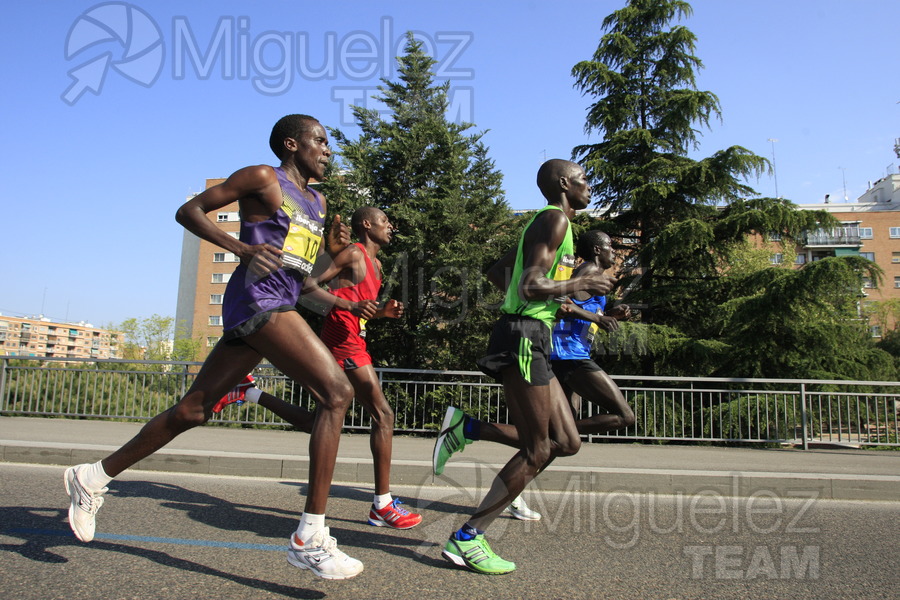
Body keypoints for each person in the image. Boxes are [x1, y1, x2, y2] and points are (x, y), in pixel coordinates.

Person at [63, 114, 366, 580]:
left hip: (279, 302)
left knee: (192, 411)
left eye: (329, 144)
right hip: (255, 300)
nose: (328, 150)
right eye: (320, 141)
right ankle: (310, 536)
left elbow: (302, 282)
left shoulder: (319, 202)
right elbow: (188, 211)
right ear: (291, 143)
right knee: (337, 393)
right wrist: (238, 248)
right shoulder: (264, 178)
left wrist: (353, 305)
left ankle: (93, 477)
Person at [438, 159, 615, 575]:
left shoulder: (556, 226)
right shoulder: (554, 220)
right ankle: (468, 537)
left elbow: (501, 272)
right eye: (584, 181)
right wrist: (579, 285)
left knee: (566, 441)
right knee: (538, 448)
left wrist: (550, 301)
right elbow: (529, 284)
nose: (590, 187)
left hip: (530, 331)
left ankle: (467, 429)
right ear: (564, 184)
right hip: (523, 336)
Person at [213, 206, 422, 530]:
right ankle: (382, 504)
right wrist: (348, 305)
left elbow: (359, 307)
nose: (391, 226)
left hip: (355, 340)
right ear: (367, 225)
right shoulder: (353, 253)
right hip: (342, 343)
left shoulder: (376, 265)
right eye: (385, 221)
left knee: (319, 422)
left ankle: (249, 392)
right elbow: (309, 284)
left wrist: (381, 313)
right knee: (383, 414)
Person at [433, 231, 635, 505]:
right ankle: (487, 439)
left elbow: (577, 312)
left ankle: (481, 440)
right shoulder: (586, 271)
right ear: (598, 250)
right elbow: (562, 305)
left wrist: (608, 317)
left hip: (568, 354)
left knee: (557, 441)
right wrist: (594, 315)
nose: (615, 251)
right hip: (567, 357)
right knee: (623, 416)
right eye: (611, 246)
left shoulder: (589, 275)